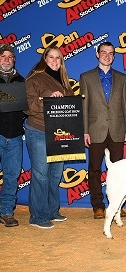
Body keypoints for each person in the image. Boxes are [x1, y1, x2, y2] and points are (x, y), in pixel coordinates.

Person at [80, 41, 126, 219]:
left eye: (111, 53)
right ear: (97, 54)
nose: (107, 56)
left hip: (118, 129)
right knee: (94, 169)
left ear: (114, 56)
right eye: (104, 52)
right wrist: (85, 131)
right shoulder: (86, 77)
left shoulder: (122, 77)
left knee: (119, 171)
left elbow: (125, 105)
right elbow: (84, 106)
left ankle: (117, 206)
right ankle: (98, 206)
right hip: (95, 130)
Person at [24, 45, 74, 229]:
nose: (54, 61)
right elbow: (27, 106)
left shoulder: (64, 81)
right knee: (41, 174)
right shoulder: (34, 78)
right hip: (38, 130)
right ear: (44, 60)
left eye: (58, 58)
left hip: (58, 133)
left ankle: (52, 210)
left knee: (55, 175)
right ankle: (37, 216)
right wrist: (47, 100)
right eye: (51, 57)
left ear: (61, 62)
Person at [0, 44, 25, 227]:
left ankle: (7, 212)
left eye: (10, 56)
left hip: (15, 136)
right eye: (3, 56)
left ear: (14, 59)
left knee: (11, 175)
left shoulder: (22, 82)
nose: (7, 59)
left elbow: (27, 109)